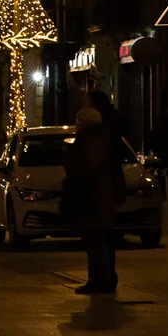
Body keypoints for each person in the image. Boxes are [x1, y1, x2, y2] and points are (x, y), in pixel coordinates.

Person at [61, 107, 121, 294]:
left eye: (78, 120)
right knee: (99, 240)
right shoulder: (101, 138)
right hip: (97, 197)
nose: (76, 123)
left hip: (92, 198)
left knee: (95, 240)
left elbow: (87, 168)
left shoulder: (91, 140)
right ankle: (104, 278)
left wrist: (75, 178)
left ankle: (100, 279)